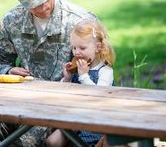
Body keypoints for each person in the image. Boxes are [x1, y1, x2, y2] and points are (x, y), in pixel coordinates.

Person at [0, 0, 96, 147]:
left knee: (22, 143)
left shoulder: (81, 22)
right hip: (19, 102)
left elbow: (100, 71)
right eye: (33, 4)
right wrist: (8, 71)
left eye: (42, 0)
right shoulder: (11, 22)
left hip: (61, 105)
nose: (41, 8)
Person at [46, 19, 115, 147]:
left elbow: (98, 97)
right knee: (51, 142)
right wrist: (67, 78)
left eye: (82, 48)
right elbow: (61, 95)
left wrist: (84, 75)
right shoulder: (76, 69)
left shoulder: (105, 71)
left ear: (98, 47)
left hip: (96, 123)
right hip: (74, 119)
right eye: (74, 48)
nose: (76, 52)